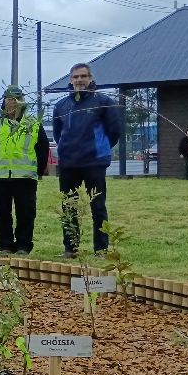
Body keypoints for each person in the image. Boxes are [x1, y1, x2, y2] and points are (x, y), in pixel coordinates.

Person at [52, 63, 123, 256]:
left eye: (83, 76)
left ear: (90, 79)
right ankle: (70, 248)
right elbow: (59, 134)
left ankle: (101, 248)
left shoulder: (103, 102)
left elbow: (115, 131)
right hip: (69, 164)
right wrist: (67, 149)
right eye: (75, 77)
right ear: (70, 80)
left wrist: (101, 147)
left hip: (94, 163)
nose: (79, 80)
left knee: (98, 207)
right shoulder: (61, 106)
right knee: (68, 207)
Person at [0, 86, 48, 255]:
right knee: (1, 213)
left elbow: (42, 148)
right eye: (8, 99)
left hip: (25, 176)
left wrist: (38, 170)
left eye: (15, 99)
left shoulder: (33, 124)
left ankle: (23, 245)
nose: (11, 103)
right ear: (3, 102)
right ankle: (5, 245)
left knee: (25, 212)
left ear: (22, 102)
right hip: (0, 176)